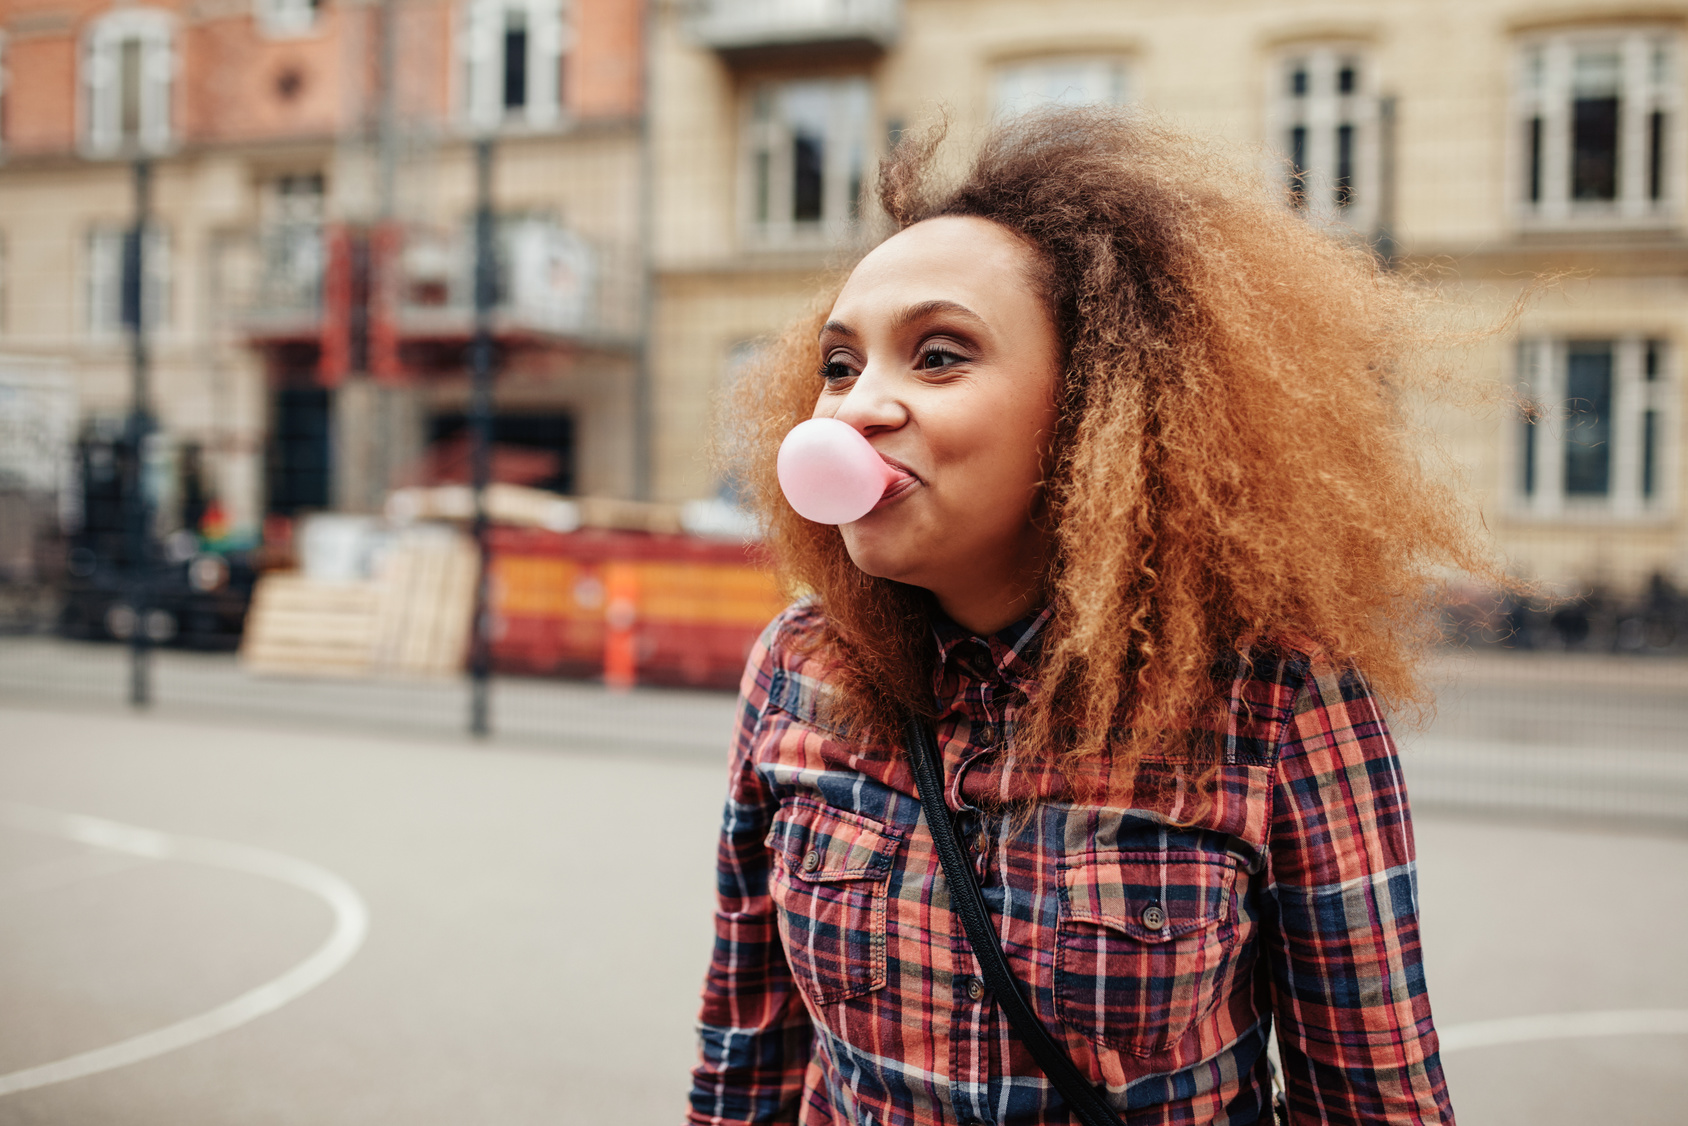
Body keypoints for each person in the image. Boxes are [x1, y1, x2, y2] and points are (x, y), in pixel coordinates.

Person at [688, 109, 1487, 1126]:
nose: (850, 411)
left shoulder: (1274, 697)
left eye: (937, 357)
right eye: (839, 366)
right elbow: (743, 1059)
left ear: (1100, 403)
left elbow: (1371, 1100)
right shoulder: (798, 668)